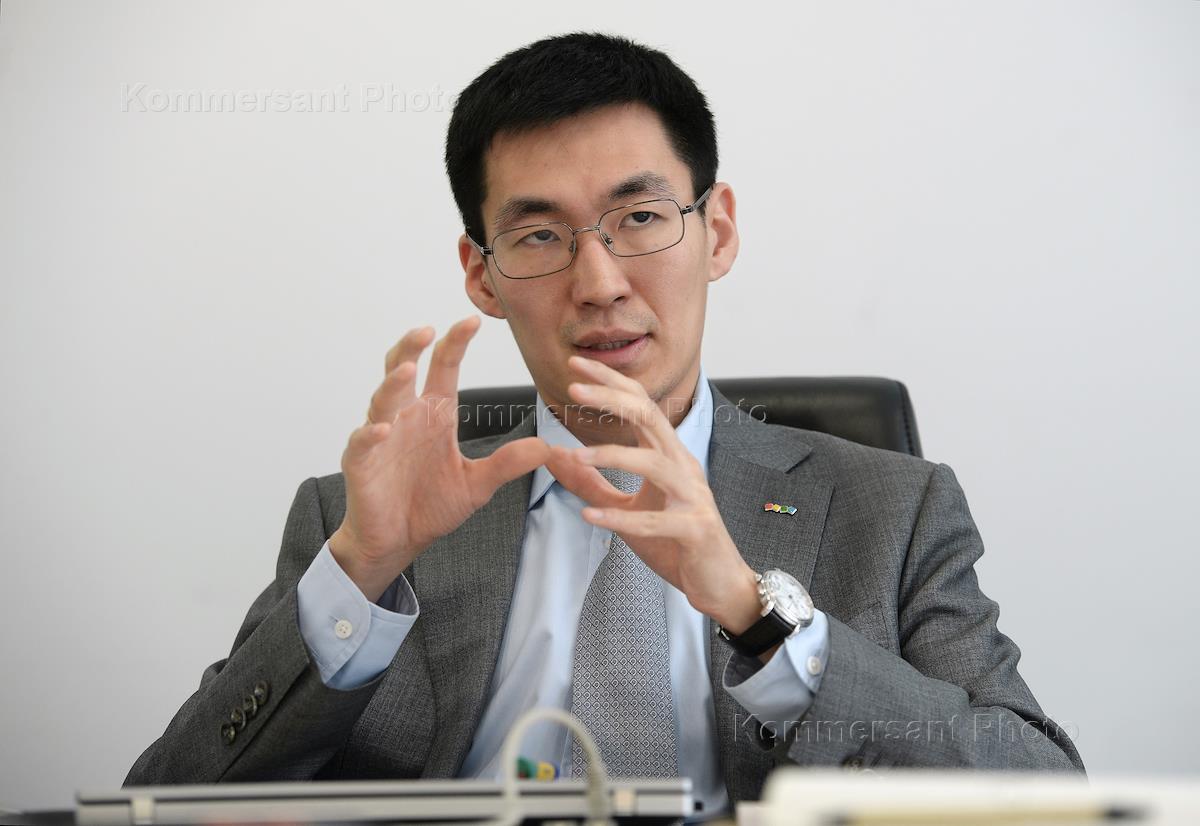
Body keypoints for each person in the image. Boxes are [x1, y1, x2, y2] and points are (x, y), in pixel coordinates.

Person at [126, 32, 1084, 813]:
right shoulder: (358, 524)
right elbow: (166, 801)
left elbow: (1040, 797)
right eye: (540, 235)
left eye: (641, 218)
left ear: (718, 231)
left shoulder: (892, 508)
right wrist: (361, 574)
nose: (599, 282)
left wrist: (757, 616)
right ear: (481, 275)